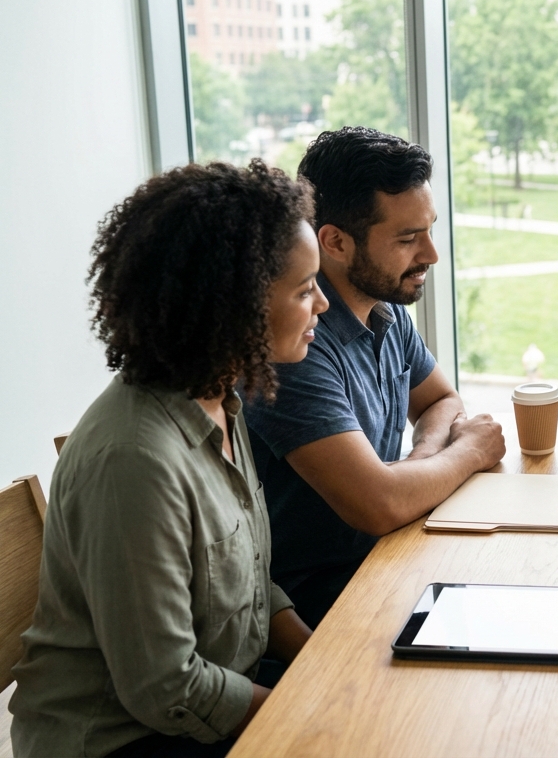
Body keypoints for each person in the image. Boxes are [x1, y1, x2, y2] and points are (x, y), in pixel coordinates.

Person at [9, 161, 325, 757]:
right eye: (305, 289)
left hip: (204, 705)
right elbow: (165, 687)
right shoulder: (135, 460)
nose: (323, 304)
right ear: (236, 305)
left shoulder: (221, 401)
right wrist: (311, 715)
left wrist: (324, 664)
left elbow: (251, 580)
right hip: (124, 739)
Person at [243, 127, 505, 628]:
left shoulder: (384, 306)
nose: (430, 254)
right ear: (336, 242)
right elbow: (380, 504)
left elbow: (441, 401)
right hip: (325, 605)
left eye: (429, 230)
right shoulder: (295, 343)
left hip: (391, 563)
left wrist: (419, 465)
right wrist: (468, 452)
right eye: (407, 239)